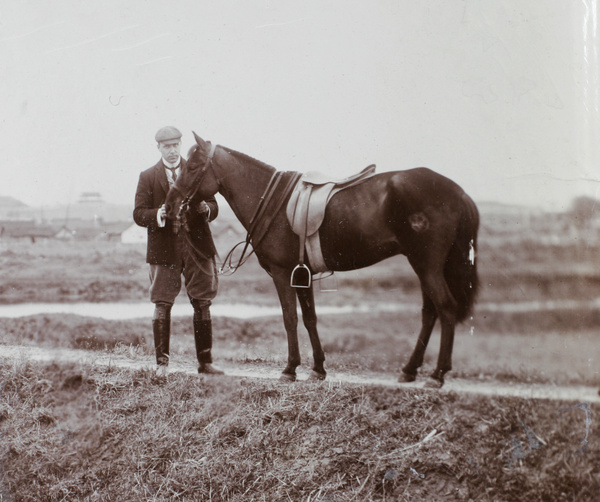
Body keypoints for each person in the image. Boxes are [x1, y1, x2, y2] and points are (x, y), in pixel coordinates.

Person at [133, 126, 223, 376]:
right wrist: (158, 214)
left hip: (197, 247)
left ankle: (205, 364)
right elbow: (138, 213)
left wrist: (207, 209)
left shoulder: (197, 170)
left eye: (175, 145)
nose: (172, 151)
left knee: (203, 302)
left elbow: (214, 204)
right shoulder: (148, 176)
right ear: (158, 148)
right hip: (164, 249)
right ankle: (162, 366)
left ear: (180, 145)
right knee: (162, 303)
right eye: (166, 146)